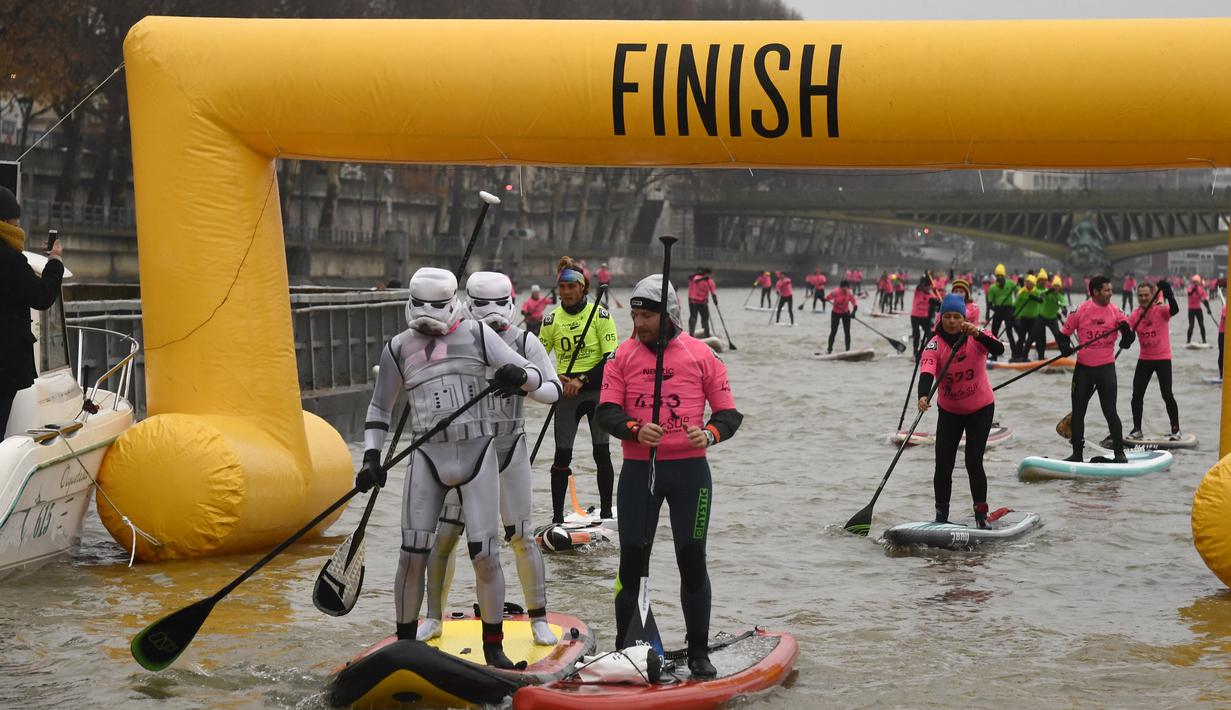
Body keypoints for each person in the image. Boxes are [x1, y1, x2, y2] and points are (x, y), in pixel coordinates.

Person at [358, 266, 547, 668]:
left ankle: (494, 648)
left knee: (485, 554)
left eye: (437, 305)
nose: (429, 313)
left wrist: (519, 376)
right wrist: (371, 456)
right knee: (412, 554)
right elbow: (379, 408)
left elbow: (535, 376)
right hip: (427, 457)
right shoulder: (398, 348)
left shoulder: (478, 335)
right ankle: (406, 642)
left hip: (479, 455)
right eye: (421, 304)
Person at [596, 274, 743, 679]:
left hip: (689, 473)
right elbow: (605, 412)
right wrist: (633, 429)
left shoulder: (701, 355)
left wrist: (709, 434)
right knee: (632, 563)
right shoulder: (621, 356)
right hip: (639, 472)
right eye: (635, 315)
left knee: (691, 561)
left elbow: (729, 414)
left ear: (669, 315)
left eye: (647, 316)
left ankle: (698, 653)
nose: (639, 323)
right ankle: (627, 648)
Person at [419, 272, 563, 646]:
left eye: (500, 302)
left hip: (507, 449)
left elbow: (554, 390)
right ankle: (433, 618)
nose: (493, 312)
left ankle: (538, 620)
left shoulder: (525, 342)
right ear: (466, 303)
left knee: (522, 537)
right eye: (482, 304)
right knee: (445, 536)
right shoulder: (450, 341)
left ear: (512, 302)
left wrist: (524, 383)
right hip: (463, 452)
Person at [539, 257, 620, 522]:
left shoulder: (600, 314)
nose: (566, 292)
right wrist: (553, 377)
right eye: (562, 287)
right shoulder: (551, 319)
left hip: (596, 390)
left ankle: (606, 514)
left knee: (601, 452)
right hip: (567, 394)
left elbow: (611, 359)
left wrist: (581, 379)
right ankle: (557, 519)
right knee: (562, 455)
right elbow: (537, 359)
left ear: (583, 287)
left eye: (571, 287)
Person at [918, 294, 1005, 527]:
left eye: (957, 317)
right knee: (943, 464)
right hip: (949, 412)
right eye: (947, 316)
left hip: (981, 408)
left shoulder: (977, 336)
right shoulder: (934, 344)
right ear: (941, 318)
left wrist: (978, 334)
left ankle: (981, 517)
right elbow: (927, 372)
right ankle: (941, 518)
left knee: (973, 461)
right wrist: (923, 396)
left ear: (963, 318)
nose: (952, 321)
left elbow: (999, 349)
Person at [0, 187, 65, 437]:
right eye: (16, 222)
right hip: (5, 367)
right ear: (6, 221)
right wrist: (55, 262)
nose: (19, 228)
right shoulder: (10, 260)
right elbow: (42, 295)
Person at [1059, 275, 1135, 463]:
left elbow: (1130, 337)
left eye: (1111, 290)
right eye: (1107, 290)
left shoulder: (1116, 311)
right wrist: (1065, 348)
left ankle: (1119, 454)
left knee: (1110, 412)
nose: (1111, 293)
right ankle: (1077, 454)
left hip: (1106, 370)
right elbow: (1063, 335)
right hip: (1083, 370)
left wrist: (1127, 336)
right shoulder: (1080, 311)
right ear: (1095, 292)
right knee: (1078, 412)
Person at [1128, 279, 1182, 440]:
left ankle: (1176, 430)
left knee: (1167, 394)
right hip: (1144, 359)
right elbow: (1127, 333)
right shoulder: (1135, 315)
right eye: (1140, 295)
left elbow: (1175, 309)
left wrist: (1169, 293)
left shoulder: (1161, 310)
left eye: (1146, 295)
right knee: (1136, 396)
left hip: (1163, 359)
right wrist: (1126, 338)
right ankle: (1137, 429)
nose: (1143, 298)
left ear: (1153, 295)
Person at [985, 264, 1017, 360]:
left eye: (1001, 276)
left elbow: (1019, 293)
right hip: (998, 310)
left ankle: (1014, 355)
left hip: (1008, 310)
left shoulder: (1011, 283)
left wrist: (1015, 307)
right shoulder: (992, 288)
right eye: (998, 276)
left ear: (1004, 276)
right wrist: (991, 311)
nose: (999, 278)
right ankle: (993, 355)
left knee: (1009, 333)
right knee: (994, 333)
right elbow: (989, 303)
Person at [1034, 275, 1069, 359]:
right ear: (1052, 287)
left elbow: (1063, 304)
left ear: (1060, 288)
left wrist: (1064, 309)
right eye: (1055, 286)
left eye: (1058, 286)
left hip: (1052, 319)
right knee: (1041, 338)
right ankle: (1040, 357)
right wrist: (1048, 292)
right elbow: (1040, 295)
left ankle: (1064, 355)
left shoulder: (1060, 296)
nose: (1056, 288)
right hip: (1042, 317)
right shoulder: (1047, 293)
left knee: (1058, 337)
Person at [1012, 274, 1044, 361]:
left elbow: (1041, 300)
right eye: (1027, 282)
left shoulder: (1037, 292)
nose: (1028, 284)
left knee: (1035, 338)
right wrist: (1014, 316)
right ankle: (1017, 356)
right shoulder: (1022, 292)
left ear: (1033, 284)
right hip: (1024, 319)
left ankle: (1040, 357)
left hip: (1034, 319)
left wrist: (1034, 297)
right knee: (1021, 338)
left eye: (1030, 283)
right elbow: (1015, 305)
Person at [910, 275, 939, 361]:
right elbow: (920, 285)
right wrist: (926, 276)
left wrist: (938, 302)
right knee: (916, 334)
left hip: (925, 318)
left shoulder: (931, 296)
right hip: (915, 316)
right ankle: (915, 351)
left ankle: (924, 350)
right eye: (926, 286)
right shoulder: (918, 291)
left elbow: (938, 306)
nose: (927, 288)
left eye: (929, 286)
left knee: (930, 334)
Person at [825, 279, 857, 353]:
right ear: (840, 288)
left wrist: (853, 312)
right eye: (843, 288)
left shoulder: (849, 293)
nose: (845, 290)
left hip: (846, 313)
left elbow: (854, 303)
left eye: (846, 288)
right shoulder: (835, 292)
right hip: (835, 313)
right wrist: (822, 298)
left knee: (847, 332)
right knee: (833, 331)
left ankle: (848, 350)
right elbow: (826, 298)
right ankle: (829, 349)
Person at [687, 267, 717, 337]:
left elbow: (713, 292)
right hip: (696, 302)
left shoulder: (709, 281)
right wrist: (703, 278)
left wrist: (715, 299)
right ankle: (693, 335)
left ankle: (704, 334)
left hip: (700, 302)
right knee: (695, 318)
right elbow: (694, 279)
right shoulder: (697, 278)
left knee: (703, 319)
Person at [1187, 274, 1212, 344]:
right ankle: (1188, 341)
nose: (1195, 283)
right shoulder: (1190, 287)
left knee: (1201, 325)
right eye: (1194, 282)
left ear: (1199, 282)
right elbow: (1189, 293)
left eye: (1196, 282)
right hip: (1191, 310)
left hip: (1198, 309)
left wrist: (1208, 309)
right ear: (1192, 282)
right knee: (1191, 325)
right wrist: (1194, 290)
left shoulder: (1201, 289)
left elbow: (1205, 300)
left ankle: (1204, 340)